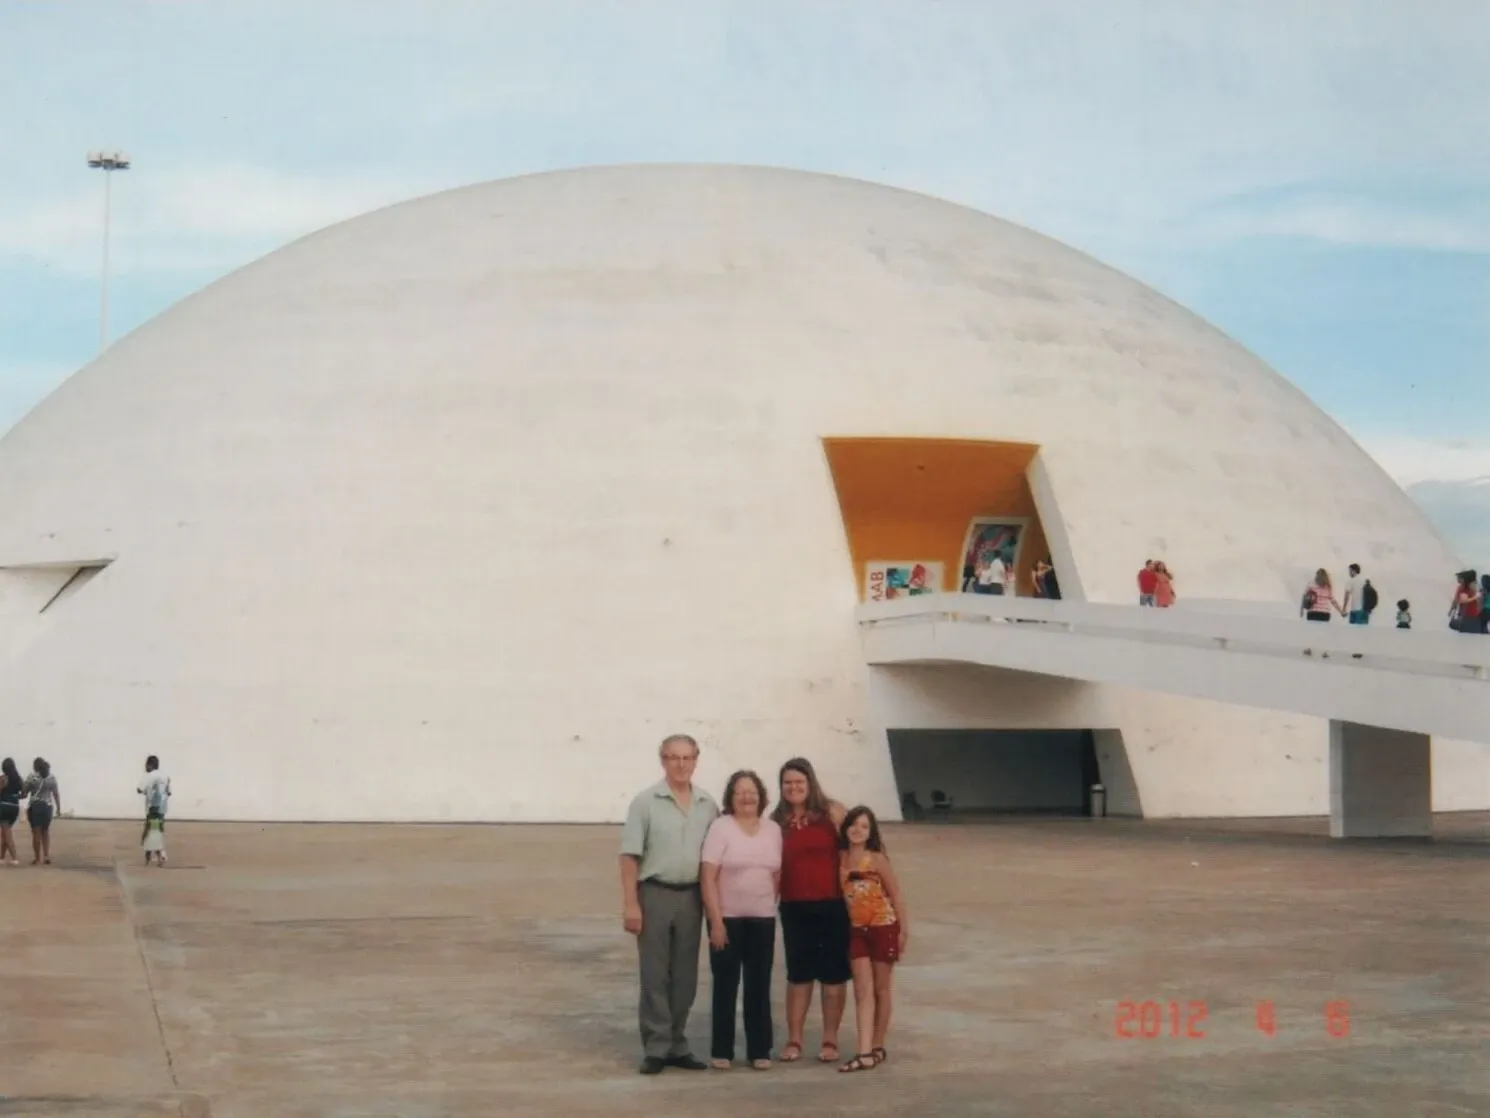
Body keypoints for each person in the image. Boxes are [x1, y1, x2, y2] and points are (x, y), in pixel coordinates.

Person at [618, 733, 720, 1075]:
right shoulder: (645, 802)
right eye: (673, 757)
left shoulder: (707, 804)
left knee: (685, 976)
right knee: (655, 973)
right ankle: (656, 1046)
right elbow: (629, 856)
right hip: (655, 893)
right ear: (663, 760)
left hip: (692, 896)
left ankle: (677, 1042)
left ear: (696, 760)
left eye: (687, 757)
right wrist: (631, 904)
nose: (681, 764)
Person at [700, 770, 782, 1071]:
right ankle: (722, 1050)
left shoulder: (773, 829)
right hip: (727, 919)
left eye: (752, 791)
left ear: (761, 796)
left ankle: (760, 1050)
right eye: (740, 792)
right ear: (730, 798)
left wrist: (768, 904)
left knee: (759, 985)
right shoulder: (721, 827)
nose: (747, 797)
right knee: (725, 985)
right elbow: (707, 876)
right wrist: (716, 921)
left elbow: (776, 873)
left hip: (763, 919)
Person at [770, 757, 849, 1064]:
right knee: (799, 976)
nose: (793, 787)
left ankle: (830, 1039)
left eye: (799, 782)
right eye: (787, 782)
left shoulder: (832, 813)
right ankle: (795, 1040)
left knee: (833, 977)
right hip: (794, 906)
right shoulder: (776, 821)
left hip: (833, 905)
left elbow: (857, 848)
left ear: (810, 783)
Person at [837, 806, 908, 1074]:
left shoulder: (877, 860)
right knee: (862, 990)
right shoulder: (840, 858)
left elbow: (896, 895)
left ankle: (877, 1044)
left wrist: (903, 930)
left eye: (864, 826)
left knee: (881, 989)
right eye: (854, 824)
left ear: (871, 833)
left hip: (883, 927)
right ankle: (864, 1051)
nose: (858, 830)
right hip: (857, 930)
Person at [22, 757, 60, 866]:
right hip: (48, 807)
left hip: (36, 807)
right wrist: (58, 808)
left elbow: (24, 792)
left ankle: (37, 858)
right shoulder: (52, 778)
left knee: (36, 833)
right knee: (45, 832)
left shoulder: (32, 777)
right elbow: (56, 794)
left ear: (36, 767)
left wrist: (20, 793)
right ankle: (46, 855)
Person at [138, 755, 172, 866]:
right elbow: (169, 792)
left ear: (150, 765)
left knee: (150, 831)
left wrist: (146, 791)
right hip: (162, 808)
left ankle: (160, 855)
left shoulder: (150, 776)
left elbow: (139, 789)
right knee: (157, 830)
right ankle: (151, 855)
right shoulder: (165, 776)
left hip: (153, 807)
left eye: (146, 764)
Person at [0, 758, 23, 867]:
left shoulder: (3, 778)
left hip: (4, 806)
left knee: (6, 833)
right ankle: (1, 857)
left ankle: (14, 858)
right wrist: (14, 797)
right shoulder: (19, 779)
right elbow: (24, 794)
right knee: (5, 832)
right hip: (15, 806)